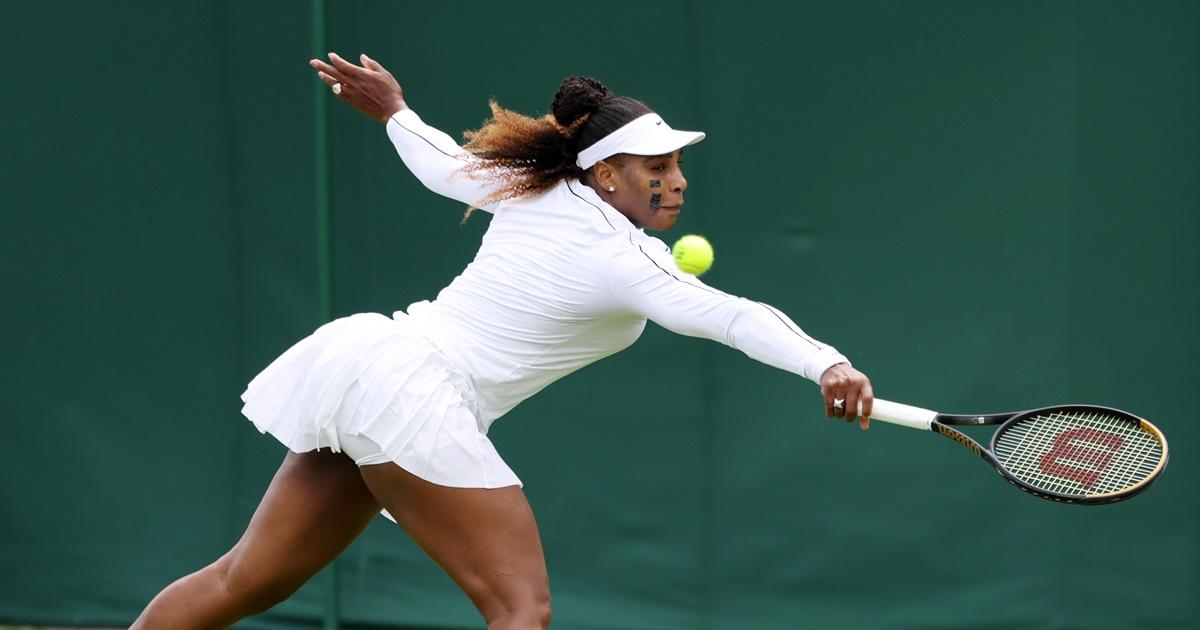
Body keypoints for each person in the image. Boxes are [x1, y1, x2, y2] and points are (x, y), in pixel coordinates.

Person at [132, 52, 875, 630]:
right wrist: (827, 363)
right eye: (658, 168)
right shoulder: (626, 258)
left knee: (245, 581)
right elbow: (734, 316)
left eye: (678, 165)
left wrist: (394, 111)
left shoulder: (538, 189)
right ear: (606, 174)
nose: (677, 182)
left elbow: (441, 164)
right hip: (417, 396)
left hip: (368, 372)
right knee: (522, 610)